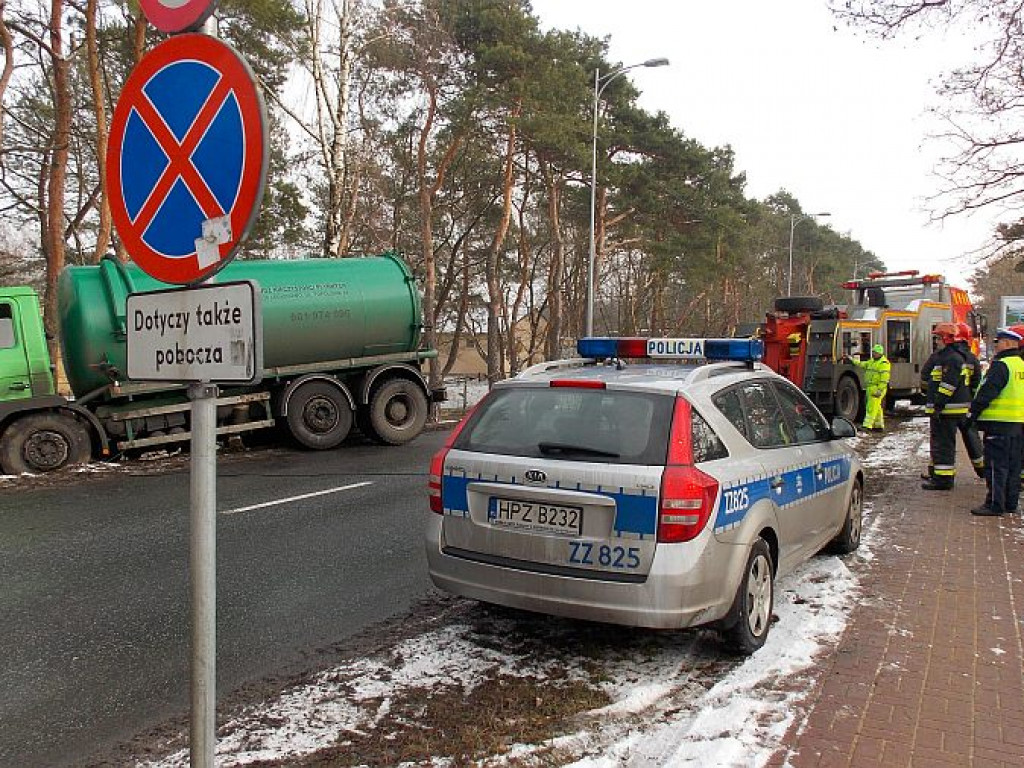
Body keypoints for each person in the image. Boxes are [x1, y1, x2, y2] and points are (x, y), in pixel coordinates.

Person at [965, 327, 1024, 516]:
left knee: (995, 466)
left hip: (999, 423)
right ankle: (1010, 503)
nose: (995, 345)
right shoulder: (1020, 365)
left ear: (1007, 343)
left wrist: (972, 414)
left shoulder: (1001, 365)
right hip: (1018, 424)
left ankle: (994, 504)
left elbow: (987, 392)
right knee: (1013, 466)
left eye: (997, 342)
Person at [921, 323, 972, 491]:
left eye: (937, 338)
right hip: (948, 408)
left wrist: (938, 404)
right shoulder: (947, 356)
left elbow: (948, 385)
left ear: (946, 338)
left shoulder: (952, 358)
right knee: (941, 444)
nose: (935, 341)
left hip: (947, 409)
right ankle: (940, 476)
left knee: (943, 445)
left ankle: (943, 480)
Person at [953, 321, 986, 478]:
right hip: (966, 406)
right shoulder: (972, 358)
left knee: (944, 441)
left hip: (947, 408)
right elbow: (976, 381)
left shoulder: (947, 356)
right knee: (972, 439)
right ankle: (982, 469)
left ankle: (941, 473)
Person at [846, 343, 891, 431]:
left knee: (871, 407)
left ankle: (867, 426)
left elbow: (884, 379)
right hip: (871, 387)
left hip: (876, 388)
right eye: (873, 352)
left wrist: (879, 390)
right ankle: (879, 426)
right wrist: (852, 360)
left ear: (879, 353)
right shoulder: (872, 361)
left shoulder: (883, 363)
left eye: (875, 352)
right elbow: (862, 364)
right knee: (876, 407)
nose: (873, 353)